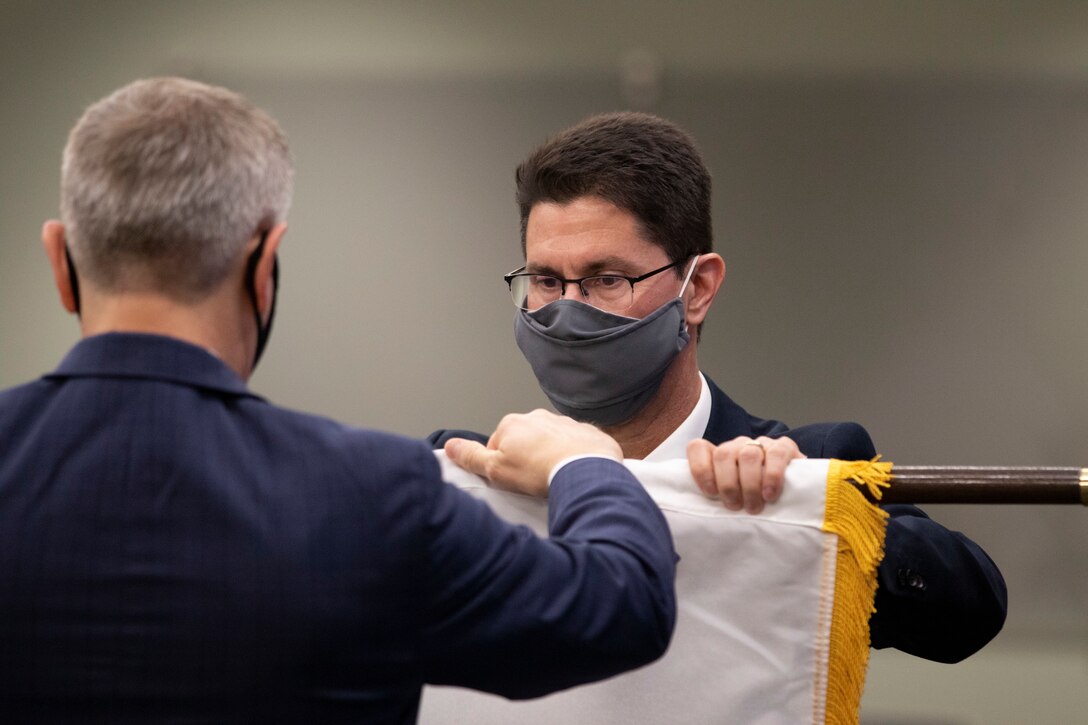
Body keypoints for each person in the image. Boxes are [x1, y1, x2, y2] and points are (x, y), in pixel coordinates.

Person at [0, 79, 679, 723]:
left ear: (60, 261)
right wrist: (585, 463)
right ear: (264, 266)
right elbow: (623, 606)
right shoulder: (368, 497)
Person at [431, 111, 1006, 663]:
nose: (568, 311)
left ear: (698, 288)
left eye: (607, 279)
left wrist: (803, 511)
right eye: (547, 280)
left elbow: (971, 613)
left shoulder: (803, 463)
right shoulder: (471, 478)